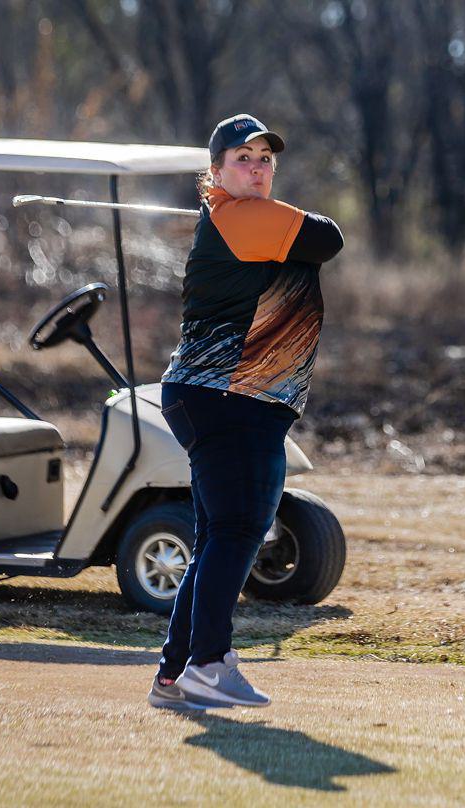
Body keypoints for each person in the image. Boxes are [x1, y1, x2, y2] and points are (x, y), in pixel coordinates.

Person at [148, 114, 343, 710]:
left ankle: (175, 675)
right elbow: (328, 236)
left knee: (218, 539)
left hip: (217, 397)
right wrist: (266, 206)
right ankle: (209, 664)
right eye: (242, 159)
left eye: (265, 160)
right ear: (215, 172)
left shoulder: (238, 217)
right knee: (237, 532)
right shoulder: (245, 216)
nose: (257, 168)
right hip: (232, 397)